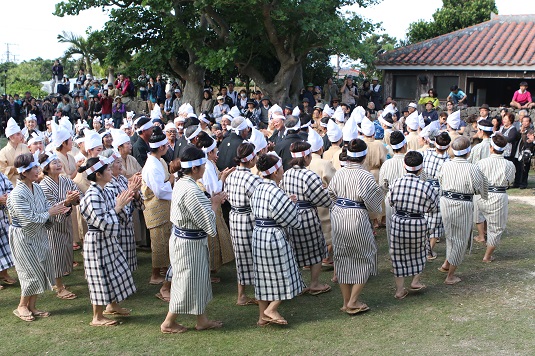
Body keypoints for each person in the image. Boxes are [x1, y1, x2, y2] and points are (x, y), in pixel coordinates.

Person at [160, 146, 225, 334]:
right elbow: (209, 225)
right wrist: (214, 203)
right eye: (203, 165)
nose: (205, 169)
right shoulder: (191, 190)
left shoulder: (183, 182)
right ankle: (168, 322)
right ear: (195, 168)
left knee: (197, 281)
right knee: (185, 282)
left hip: (188, 241)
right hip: (188, 244)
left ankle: (202, 319)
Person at [7, 153, 70, 322]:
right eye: (34, 168)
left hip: (39, 233)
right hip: (23, 235)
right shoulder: (16, 194)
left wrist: (61, 207)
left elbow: (46, 207)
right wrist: (50, 212)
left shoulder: (38, 188)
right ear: (24, 172)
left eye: (36, 167)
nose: (37, 170)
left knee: (41, 269)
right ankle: (21, 306)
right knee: (29, 271)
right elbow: (28, 219)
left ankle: (32, 306)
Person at [79, 155, 136, 326]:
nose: (111, 171)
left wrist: (126, 200)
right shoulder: (91, 195)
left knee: (115, 271)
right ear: (98, 174)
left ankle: (112, 305)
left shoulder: (106, 190)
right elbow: (102, 221)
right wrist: (118, 207)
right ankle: (97, 317)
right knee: (99, 276)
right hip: (97, 240)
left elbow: (120, 209)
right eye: (108, 170)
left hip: (108, 239)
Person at [328, 139, 383, 314]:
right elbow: (374, 205)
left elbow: (331, 194)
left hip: (338, 214)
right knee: (365, 256)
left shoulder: (340, 173)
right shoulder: (365, 176)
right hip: (356, 216)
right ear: (364, 156)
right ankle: (352, 300)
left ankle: (346, 302)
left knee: (342, 257)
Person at [250, 153, 304, 326]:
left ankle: (262, 317)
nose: (283, 171)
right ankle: (271, 309)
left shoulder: (258, 187)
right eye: (281, 168)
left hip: (258, 234)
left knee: (262, 277)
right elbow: (292, 220)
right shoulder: (275, 191)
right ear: (275, 172)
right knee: (285, 273)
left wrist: (287, 202)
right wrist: (292, 205)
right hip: (273, 236)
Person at [281, 141, 332, 295]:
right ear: (307, 157)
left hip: (291, 213)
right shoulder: (309, 175)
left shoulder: (286, 173)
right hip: (307, 214)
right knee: (315, 249)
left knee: (294, 249)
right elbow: (322, 199)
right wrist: (327, 194)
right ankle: (314, 283)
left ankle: (298, 284)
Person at [438, 136, 488, 285]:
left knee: (450, 235)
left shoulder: (445, 165)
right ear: (468, 152)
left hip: (446, 201)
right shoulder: (473, 168)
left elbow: (440, 181)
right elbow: (480, 190)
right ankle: (450, 276)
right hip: (462, 204)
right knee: (460, 238)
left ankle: (447, 264)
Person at [389, 151, 439, 299]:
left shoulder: (395, 183)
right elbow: (434, 207)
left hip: (398, 220)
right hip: (417, 222)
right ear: (421, 168)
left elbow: (391, 202)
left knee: (398, 254)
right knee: (420, 251)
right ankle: (415, 281)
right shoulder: (426, 187)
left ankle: (399, 290)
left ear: (404, 166)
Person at [38, 151, 81, 300]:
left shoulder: (64, 179)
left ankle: (58, 281)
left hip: (66, 221)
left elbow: (77, 192)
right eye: (53, 163)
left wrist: (75, 198)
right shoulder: (43, 185)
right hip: (52, 224)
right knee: (55, 254)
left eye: (58, 162)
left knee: (65, 251)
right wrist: (67, 201)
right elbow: (50, 207)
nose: (57, 165)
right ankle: (59, 286)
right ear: (46, 168)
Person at [224, 143, 262, 305]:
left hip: (234, 217)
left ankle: (242, 294)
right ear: (251, 158)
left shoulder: (230, 175)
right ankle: (260, 294)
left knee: (241, 256)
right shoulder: (252, 178)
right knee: (256, 256)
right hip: (249, 218)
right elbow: (260, 200)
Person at [195, 132, 235, 278]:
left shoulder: (210, 164)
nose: (217, 154)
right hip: (209, 204)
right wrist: (223, 177)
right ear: (210, 152)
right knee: (211, 239)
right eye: (216, 151)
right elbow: (213, 189)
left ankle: (212, 269)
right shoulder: (206, 166)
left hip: (211, 203)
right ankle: (209, 271)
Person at [476, 134, 516, 262]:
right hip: (498, 196)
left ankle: (482, 236)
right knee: (497, 227)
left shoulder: (481, 163)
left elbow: (476, 181)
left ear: (491, 148)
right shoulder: (509, 164)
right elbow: (510, 181)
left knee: (482, 218)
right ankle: (487, 256)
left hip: (482, 195)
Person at [141, 127, 173, 286]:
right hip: (155, 208)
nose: (167, 147)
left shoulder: (158, 161)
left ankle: (162, 269)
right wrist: (174, 186)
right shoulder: (152, 166)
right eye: (166, 145)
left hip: (163, 208)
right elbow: (160, 191)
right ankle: (155, 275)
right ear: (161, 147)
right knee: (159, 243)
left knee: (165, 240)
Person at [102, 149, 143, 271]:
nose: (120, 165)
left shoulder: (123, 179)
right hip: (118, 224)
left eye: (120, 162)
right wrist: (131, 191)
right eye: (117, 162)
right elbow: (118, 204)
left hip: (128, 224)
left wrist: (135, 193)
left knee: (128, 261)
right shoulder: (108, 184)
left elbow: (137, 201)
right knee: (119, 263)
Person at [421, 132, 451, 259]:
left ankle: (421, 249)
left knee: (423, 217)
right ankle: (428, 251)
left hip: (424, 187)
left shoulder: (425, 153)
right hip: (438, 190)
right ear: (448, 146)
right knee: (436, 222)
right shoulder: (448, 160)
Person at [379, 131, 408, 245]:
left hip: (391, 198)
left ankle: (393, 252)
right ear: (404, 145)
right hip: (409, 198)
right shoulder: (410, 161)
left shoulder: (387, 164)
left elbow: (382, 185)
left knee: (392, 228)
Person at [469, 120, 493, 243]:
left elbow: (471, 164)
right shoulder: (494, 146)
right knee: (489, 208)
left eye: (478, 130)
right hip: (493, 182)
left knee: (479, 210)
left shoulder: (478, 147)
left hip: (480, 181)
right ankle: (486, 231)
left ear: (482, 131)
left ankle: (481, 235)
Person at [1, 118, 30, 186]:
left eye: (20, 133)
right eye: (18, 134)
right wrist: (15, 167)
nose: (21, 136)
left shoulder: (25, 147)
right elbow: (2, 171)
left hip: (27, 180)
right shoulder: (3, 152)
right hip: (11, 183)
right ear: (11, 137)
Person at [0, 171, 15, 288]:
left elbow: (10, 186)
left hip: (2, 217)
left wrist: (8, 196)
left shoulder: (0, 174)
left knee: (5, 247)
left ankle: (3, 274)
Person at [500, 113, 521, 187]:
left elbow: (510, 139)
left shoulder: (513, 129)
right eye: (504, 119)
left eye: (506, 119)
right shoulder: (502, 127)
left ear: (510, 120)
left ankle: (508, 183)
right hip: (501, 151)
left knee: (507, 168)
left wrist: (501, 136)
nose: (504, 120)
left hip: (508, 152)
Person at [518, 117, 534, 189]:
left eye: (526, 121)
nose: (524, 123)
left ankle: (523, 183)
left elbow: (527, 143)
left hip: (526, 152)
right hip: (519, 151)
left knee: (525, 168)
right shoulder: (520, 130)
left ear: (529, 122)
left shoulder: (531, 131)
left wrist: (523, 134)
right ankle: (518, 182)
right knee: (519, 168)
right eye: (523, 121)